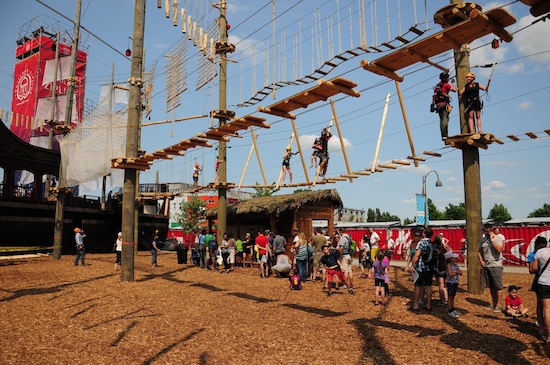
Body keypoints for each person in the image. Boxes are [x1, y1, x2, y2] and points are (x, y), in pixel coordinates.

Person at [478, 224, 504, 312]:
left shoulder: (498, 238)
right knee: (491, 286)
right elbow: (479, 251)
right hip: (487, 264)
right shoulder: (483, 239)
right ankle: (493, 303)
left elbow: (499, 249)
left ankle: (499, 304)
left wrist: (492, 239)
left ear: (491, 230)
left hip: (496, 264)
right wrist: (481, 261)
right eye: (484, 231)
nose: (486, 233)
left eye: (487, 231)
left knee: (498, 285)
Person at [531, 237, 550, 342]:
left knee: (547, 309)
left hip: (544, 283)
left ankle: (548, 335)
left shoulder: (540, 252)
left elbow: (534, 268)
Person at [412, 228, 435, 311]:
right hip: (431, 268)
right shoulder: (432, 243)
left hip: (421, 268)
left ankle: (416, 304)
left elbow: (417, 255)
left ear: (424, 234)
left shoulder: (421, 243)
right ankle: (428, 304)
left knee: (418, 286)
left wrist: (412, 264)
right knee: (428, 286)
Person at [432, 72, 457, 140]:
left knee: (442, 119)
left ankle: (443, 135)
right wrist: (453, 83)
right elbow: (455, 90)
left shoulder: (438, 85)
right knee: (445, 119)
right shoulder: (446, 85)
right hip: (444, 104)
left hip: (438, 105)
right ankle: (445, 135)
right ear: (445, 78)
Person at [433, 234, 449, 307]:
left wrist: (436, 268)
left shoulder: (436, 249)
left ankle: (442, 300)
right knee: (444, 285)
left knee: (441, 285)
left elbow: (435, 260)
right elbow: (450, 254)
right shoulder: (445, 247)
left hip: (439, 269)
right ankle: (446, 299)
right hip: (446, 268)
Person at [445, 251, 462, 318]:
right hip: (450, 283)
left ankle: (453, 308)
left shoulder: (456, 265)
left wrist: (456, 272)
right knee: (450, 297)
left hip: (455, 282)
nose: (456, 259)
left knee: (453, 296)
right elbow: (450, 274)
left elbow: (460, 272)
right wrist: (456, 272)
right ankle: (450, 310)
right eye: (454, 258)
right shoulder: (448, 265)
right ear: (450, 259)